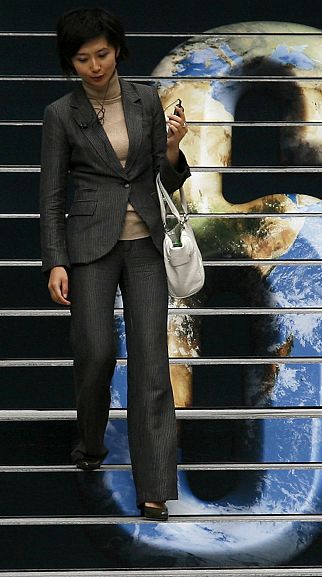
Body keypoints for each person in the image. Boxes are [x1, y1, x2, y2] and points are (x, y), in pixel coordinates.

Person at [39, 7, 190, 520]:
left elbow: (163, 181)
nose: (95, 65)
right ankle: (90, 440)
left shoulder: (146, 99)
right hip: (88, 247)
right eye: (83, 58)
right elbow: (51, 193)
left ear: (117, 49)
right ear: (70, 63)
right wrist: (56, 261)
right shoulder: (61, 114)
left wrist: (171, 149)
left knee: (151, 366)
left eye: (102, 54)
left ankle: (155, 487)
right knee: (96, 355)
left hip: (144, 242)